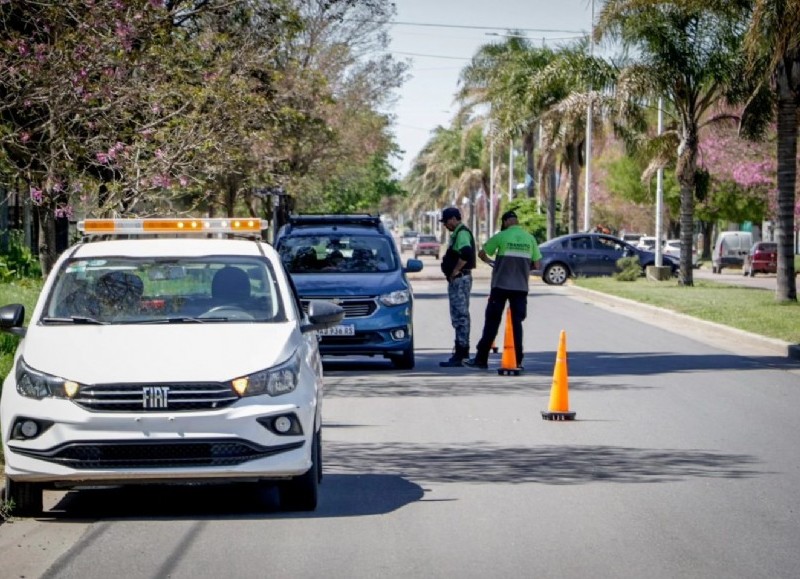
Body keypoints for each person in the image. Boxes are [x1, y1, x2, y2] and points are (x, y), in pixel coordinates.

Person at [464, 210, 542, 370]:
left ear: (506, 222)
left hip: (500, 286)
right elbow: (537, 265)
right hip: (520, 287)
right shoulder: (530, 239)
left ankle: (481, 359)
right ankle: (517, 360)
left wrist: (492, 262)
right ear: (517, 221)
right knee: (516, 324)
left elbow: (482, 253)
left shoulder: (502, 236)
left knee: (492, 322)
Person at [438, 206, 476, 367]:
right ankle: (460, 350)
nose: (446, 225)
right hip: (458, 280)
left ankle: (461, 352)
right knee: (458, 315)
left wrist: (455, 271)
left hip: (460, 279)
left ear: (454, 219)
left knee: (460, 315)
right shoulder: (458, 233)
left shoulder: (462, 233)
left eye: (446, 222)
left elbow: (466, 253)